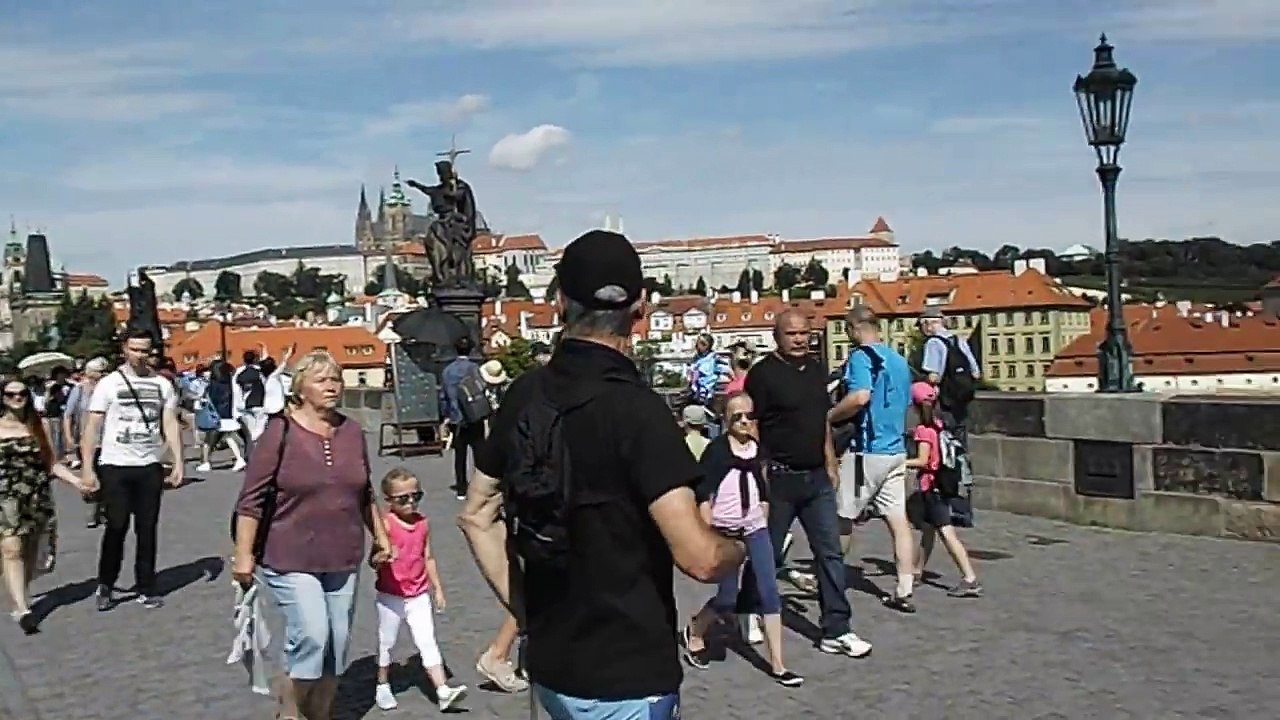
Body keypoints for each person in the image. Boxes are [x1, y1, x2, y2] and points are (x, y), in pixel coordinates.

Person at [459, 229, 746, 720]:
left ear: (559, 301)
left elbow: (476, 516)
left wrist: (527, 613)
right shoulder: (640, 413)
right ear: (641, 307)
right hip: (627, 675)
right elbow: (699, 559)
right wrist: (736, 546)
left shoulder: (523, 395)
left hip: (551, 668)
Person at [232, 350, 392, 720]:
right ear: (300, 388)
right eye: (322, 380)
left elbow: (363, 490)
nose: (332, 386)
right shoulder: (279, 431)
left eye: (335, 378)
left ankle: (320, 715)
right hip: (290, 553)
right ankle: (289, 710)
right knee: (312, 636)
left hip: (342, 553)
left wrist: (381, 537)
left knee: (336, 646)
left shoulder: (351, 431)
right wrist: (243, 555)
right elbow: (250, 499)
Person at [737, 310, 872, 658]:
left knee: (829, 553)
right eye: (791, 334)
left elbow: (820, 421)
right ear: (777, 337)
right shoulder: (763, 375)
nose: (799, 339)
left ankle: (836, 629)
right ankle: (748, 607)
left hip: (816, 478)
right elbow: (750, 425)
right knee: (767, 552)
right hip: (778, 477)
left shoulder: (815, 369)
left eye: (804, 333)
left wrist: (830, 461)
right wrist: (758, 469)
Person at [682, 392, 802, 687]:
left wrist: (763, 507)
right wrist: (706, 532)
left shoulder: (758, 449)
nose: (745, 421)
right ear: (725, 420)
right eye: (738, 417)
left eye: (750, 416)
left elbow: (762, 483)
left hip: (755, 529)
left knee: (769, 592)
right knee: (727, 598)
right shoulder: (717, 452)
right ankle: (696, 629)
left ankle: (778, 665)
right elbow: (704, 494)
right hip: (724, 531)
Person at [80, 329, 184, 612]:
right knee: (116, 526)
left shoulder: (162, 384)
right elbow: (92, 427)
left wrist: (178, 462)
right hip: (115, 464)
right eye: (135, 349)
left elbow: (170, 424)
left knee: (147, 528)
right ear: (125, 349)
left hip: (148, 464)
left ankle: (146, 585)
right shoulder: (109, 384)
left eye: (146, 350)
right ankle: (106, 583)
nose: (141, 355)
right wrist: (87, 469)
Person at [830, 305, 917, 613]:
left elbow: (860, 397)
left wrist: (829, 417)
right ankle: (904, 586)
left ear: (853, 329)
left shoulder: (860, 357)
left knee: (843, 515)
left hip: (867, 451)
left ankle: (831, 576)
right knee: (898, 520)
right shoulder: (899, 360)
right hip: (896, 451)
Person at [0, 376, 91, 634]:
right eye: (10, 395)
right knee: (11, 548)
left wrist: (77, 481)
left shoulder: (36, 426)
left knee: (30, 550)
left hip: (36, 495)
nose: (17, 399)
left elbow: (52, 463)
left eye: (22, 394)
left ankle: (21, 591)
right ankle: (22, 608)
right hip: (5, 497)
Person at [373, 467, 467, 711]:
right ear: (389, 501)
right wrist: (382, 557)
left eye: (416, 496)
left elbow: (428, 557)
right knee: (388, 641)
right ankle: (382, 683)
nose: (411, 502)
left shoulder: (423, 523)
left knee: (427, 640)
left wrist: (437, 588)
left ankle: (442, 689)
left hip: (418, 593)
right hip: (390, 594)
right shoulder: (386, 523)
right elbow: (372, 559)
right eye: (403, 499)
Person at [906, 382, 982, 597]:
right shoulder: (939, 424)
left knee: (947, 534)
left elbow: (922, 460)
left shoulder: (923, 430)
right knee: (928, 531)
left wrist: (901, 463)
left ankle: (970, 578)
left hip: (932, 487)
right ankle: (916, 571)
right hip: (941, 484)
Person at [918, 308, 980, 444]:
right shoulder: (959, 340)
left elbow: (934, 377)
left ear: (927, 324)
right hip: (963, 397)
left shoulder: (933, 343)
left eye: (921, 325)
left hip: (945, 400)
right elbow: (976, 372)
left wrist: (921, 380)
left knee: (947, 439)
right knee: (960, 438)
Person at [62, 357, 109, 527]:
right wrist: (68, 437)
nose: (103, 374)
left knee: (107, 476)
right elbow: (68, 414)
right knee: (91, 476)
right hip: (87, 440)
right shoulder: (79, 390)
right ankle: (92, 511)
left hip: (108, 440)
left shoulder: (108, 389)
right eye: (100, 372)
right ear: (90, 373)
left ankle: (103, 510)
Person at [440, 336, 487, 500]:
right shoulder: (475, 368)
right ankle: (481, 486)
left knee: (460, 455)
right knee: (479, 453)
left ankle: (461, 487)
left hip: (456, 417)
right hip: (474, 416)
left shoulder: (447, 370)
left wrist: (446, 415)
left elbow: (443, 396)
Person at [198, 360, 246, 472]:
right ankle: (239, 459)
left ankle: (205, 462)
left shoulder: (213, 384)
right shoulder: (229, 382)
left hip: (215, 415)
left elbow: (209, 399)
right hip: (227, 414)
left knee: (208, 441)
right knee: (228, 437)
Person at [233, 350, 269, 444]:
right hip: (259, 402)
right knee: (260, 428)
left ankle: (252, 448)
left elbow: (236, 388)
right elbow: (266, 385)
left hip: (246, 404)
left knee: (251, 430)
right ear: (255, 359)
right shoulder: (259, 371)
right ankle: (257, 447)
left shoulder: (239, 372)